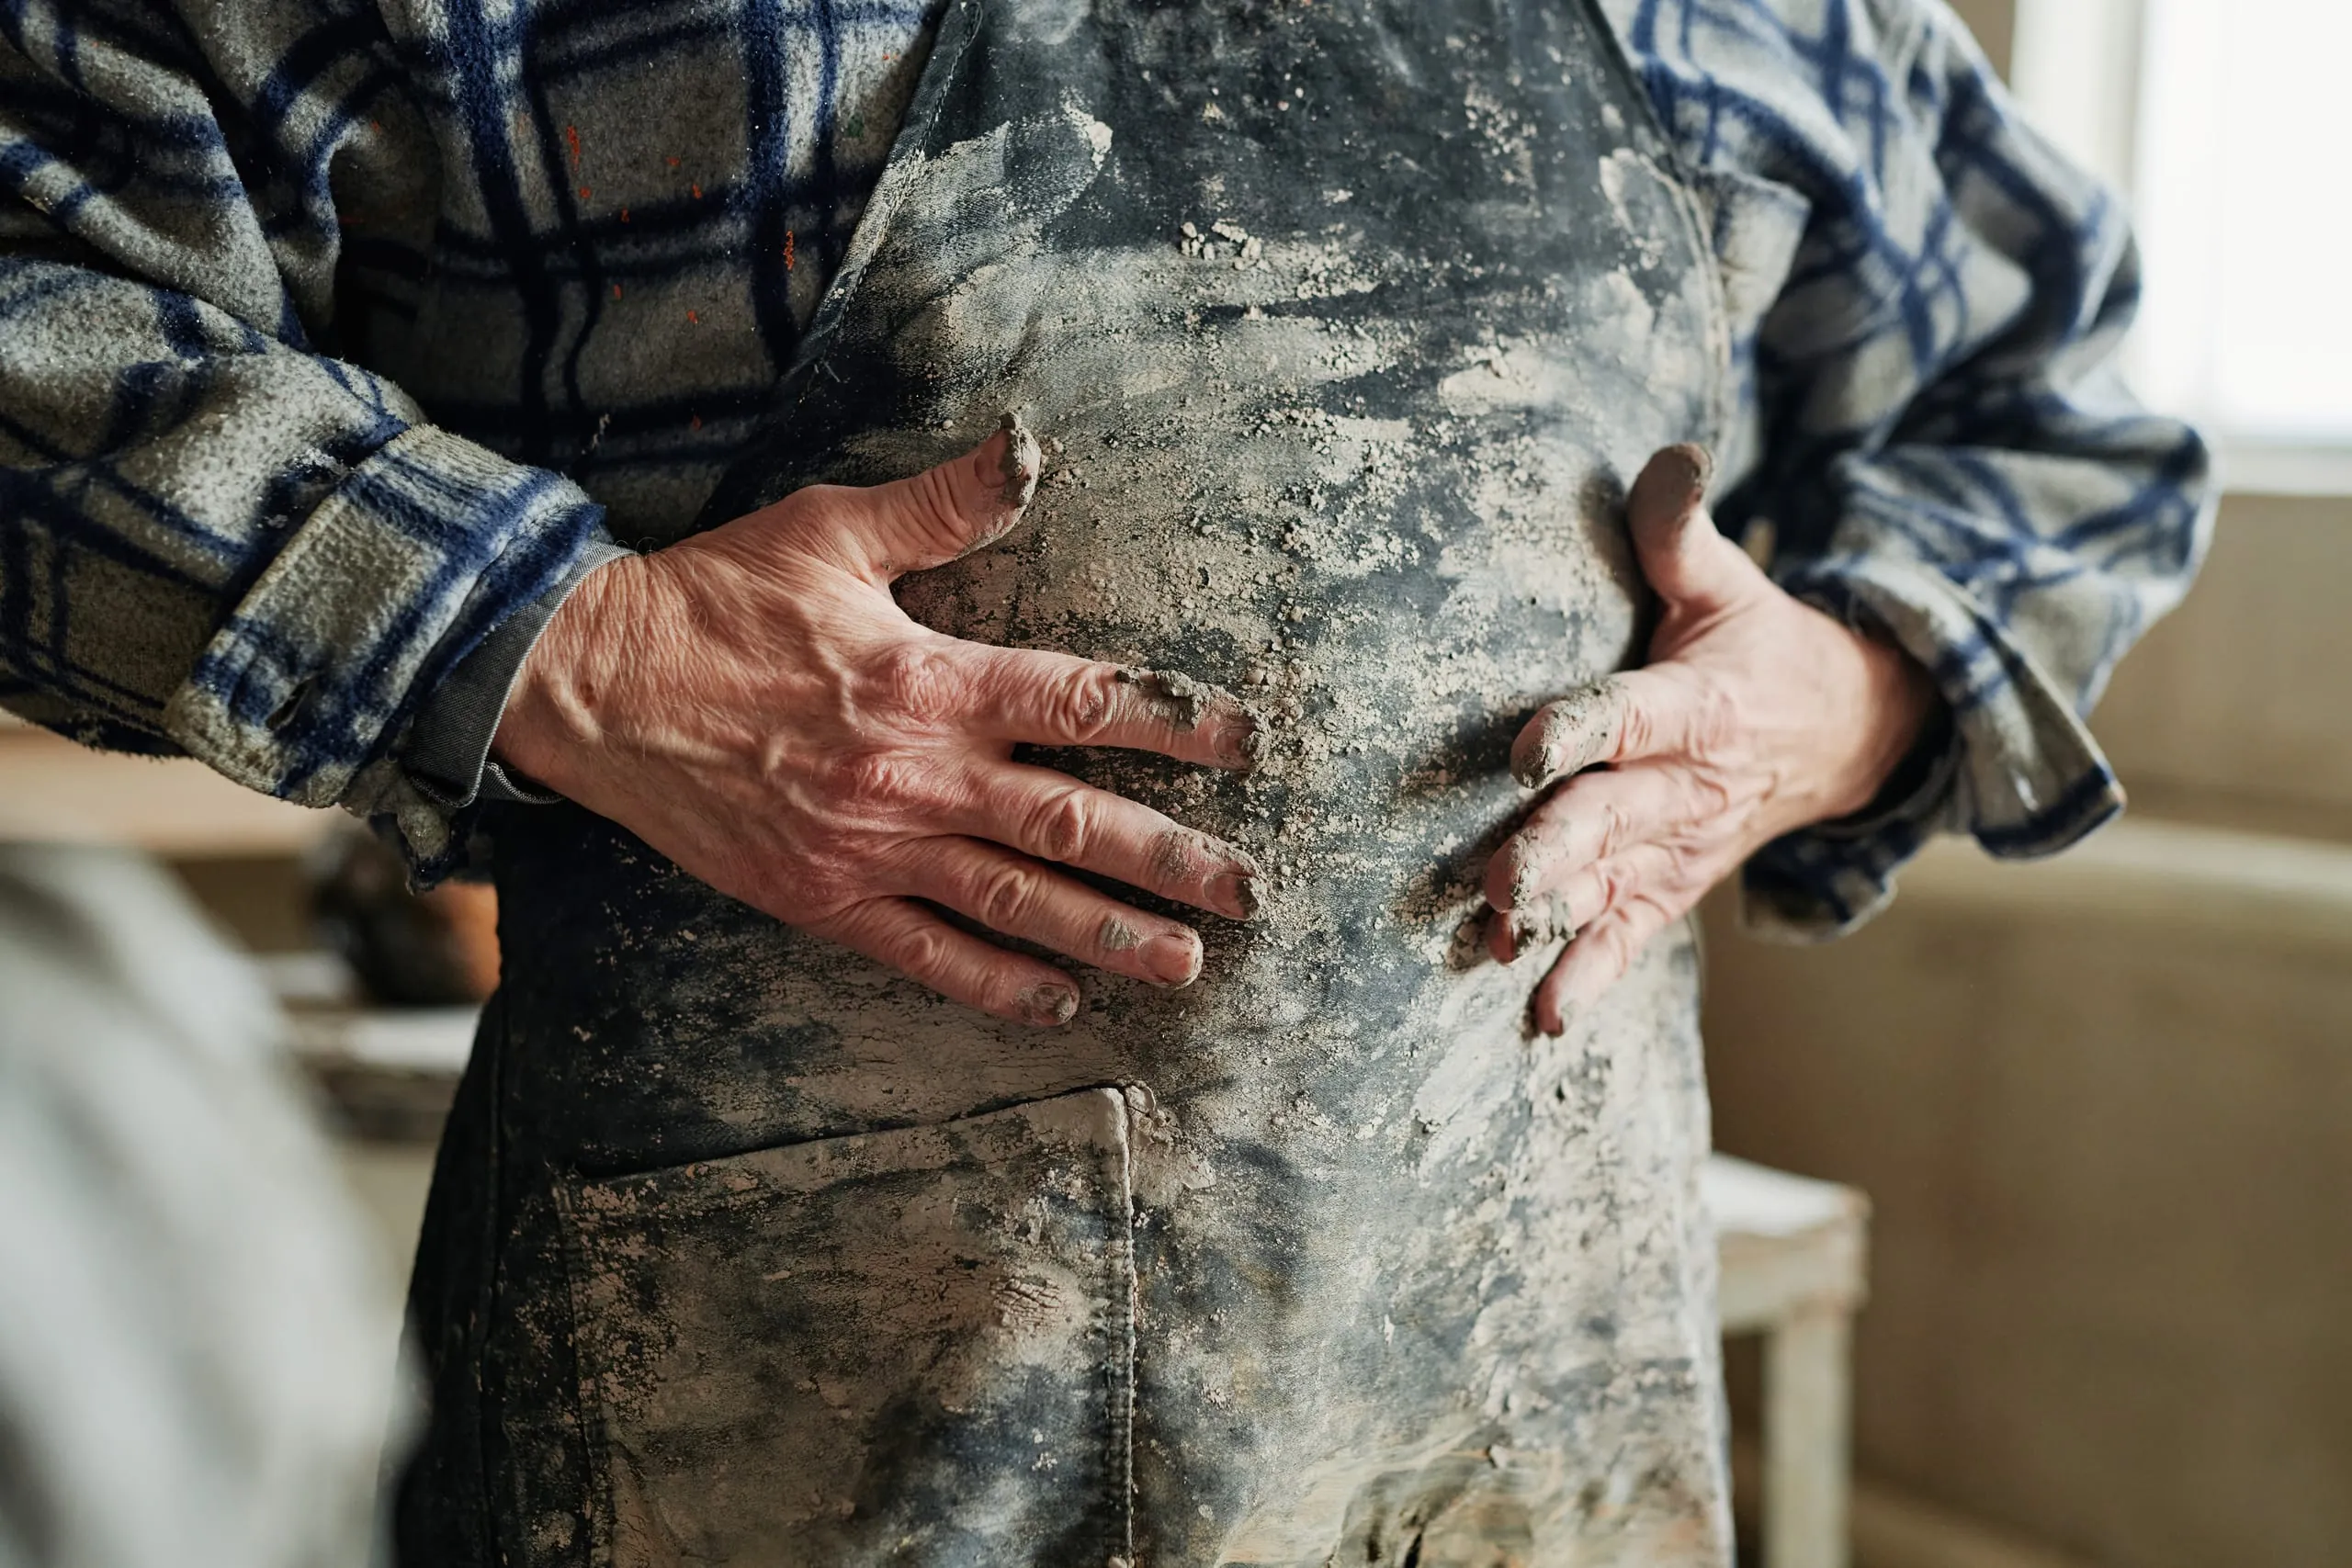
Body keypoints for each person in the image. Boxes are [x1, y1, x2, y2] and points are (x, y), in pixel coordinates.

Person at [0, 0, 2210, 1562]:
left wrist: (1839, 702)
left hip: (1525, 1462)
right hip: (787, 1463)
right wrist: (561, 645)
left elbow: (2060, 412)